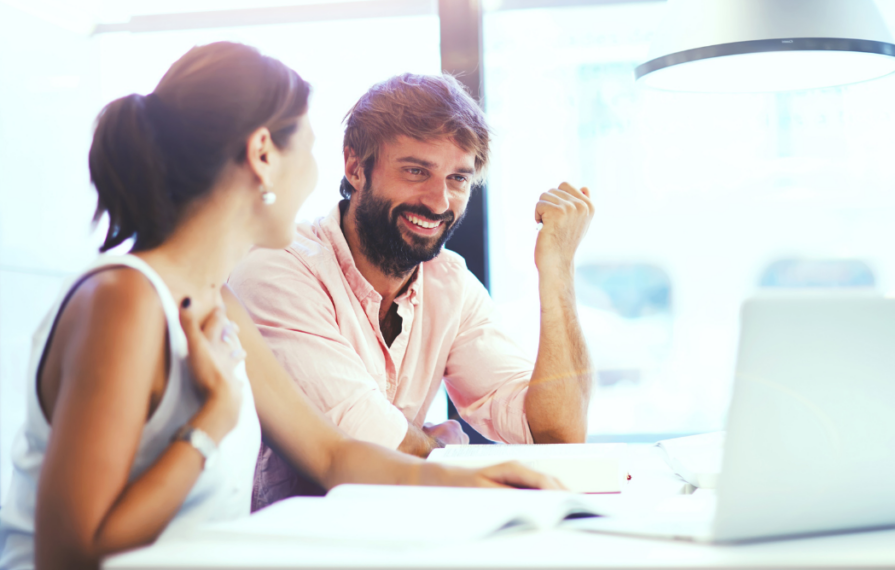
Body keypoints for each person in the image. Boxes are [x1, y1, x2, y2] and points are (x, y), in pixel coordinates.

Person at [0, 43, 561, 570]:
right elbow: (67, 554)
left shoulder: (218, 302)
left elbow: (334, 456)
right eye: (311, 151)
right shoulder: (124, 301)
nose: (318, 177)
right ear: (263, 155)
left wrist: (478, 483)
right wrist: (208, 426)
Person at [228, 73, 596, 511]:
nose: (439, 202)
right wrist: (439, 454)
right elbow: (367, 441)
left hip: (394, 534)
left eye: (458, 178)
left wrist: (556, 270)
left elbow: (555, 434)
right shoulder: (279, 266)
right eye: (416, 171)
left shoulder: (449, 284)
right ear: (355, 167)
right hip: (283, 544)